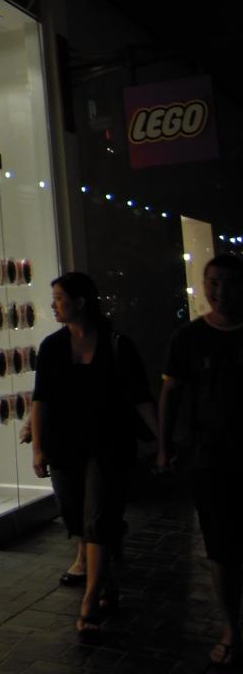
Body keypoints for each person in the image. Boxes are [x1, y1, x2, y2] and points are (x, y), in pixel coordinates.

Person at [30, 271, 157, 633]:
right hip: (64, 445)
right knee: (75, 516)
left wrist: (162, 439)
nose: (54, 305)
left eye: (59, 298)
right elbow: (41, 400)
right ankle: (107, 583)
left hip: (109, 444)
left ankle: (89, 603)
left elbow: (140, 397)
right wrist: (38, 447)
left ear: (80, 302)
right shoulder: (52, 347)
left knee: (98, 518)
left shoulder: (116, 344)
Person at [158, 253, 243, 668]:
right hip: (211, 459)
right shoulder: (188, 338)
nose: (220, 291)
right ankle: (232, 627)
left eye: (229, 282)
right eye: (213, 282)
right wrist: (165, 445)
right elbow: (171, 392)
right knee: (220, 547)